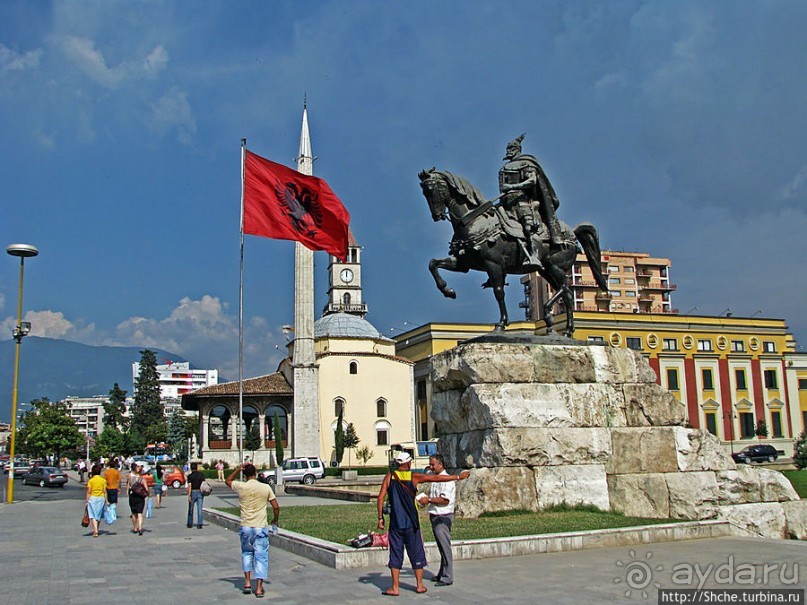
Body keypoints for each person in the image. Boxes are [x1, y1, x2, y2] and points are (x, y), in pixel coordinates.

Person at [376, 451, 471, 596]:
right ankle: (419, 585)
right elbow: (438, 479)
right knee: (416, 553)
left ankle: (395, 587)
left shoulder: (390, 477)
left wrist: (380, 518)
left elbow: (380, 498)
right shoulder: (414, 477)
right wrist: (458, 477)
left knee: (396, 554)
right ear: (408, 463)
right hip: (412, 523)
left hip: (396, 523)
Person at [498, 133, 563, 266]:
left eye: (511, 148)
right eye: (507, 148)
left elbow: (532, 181)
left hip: (522, 203)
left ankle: (535, 256)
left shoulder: (526, 163)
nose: (508, 151)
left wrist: (512, 186)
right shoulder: (504, 167)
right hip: (506, 203)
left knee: (530, 228)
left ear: (517, 149)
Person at [226, 463, 280, 598]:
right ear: (255, 474)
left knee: (247, 554)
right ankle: (259, 588)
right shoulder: (265, 487)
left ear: (245, 475)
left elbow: (228, 481)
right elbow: (276, 506)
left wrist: (237, 469)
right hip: (260, 526)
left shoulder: (241, 486)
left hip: (246, 526)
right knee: (261, 557)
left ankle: (248, 583)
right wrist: (275, 520)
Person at [422, 454, 460, 586]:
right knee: (441, 546)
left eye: (433, 465)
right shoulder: (436, 479)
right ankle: (441, 572)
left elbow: (445, 500)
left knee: (445, 546)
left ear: (441, 465)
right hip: (435, 514)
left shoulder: (447, 480)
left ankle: (448, 576)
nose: (431, 467)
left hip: (443, 516)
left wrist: (429, 500)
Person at [85, 464, 108, 538]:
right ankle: (96, 529)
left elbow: (89, 491)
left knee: (93, 515)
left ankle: (95, 531)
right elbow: (105, 491)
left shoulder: (91, 481)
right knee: (98, 514)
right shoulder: (103, 480)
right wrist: (106, 500)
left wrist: (87, 500)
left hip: (92, 498)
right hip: (101, 498)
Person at [126, 462, 147, 535]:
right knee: (140, 513)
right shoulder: (142, 479)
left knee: (134, 513)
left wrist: (127, 492)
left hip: (133, 496)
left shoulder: (129, 476)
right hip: (140, 497)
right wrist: (148, 493)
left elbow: (128, 485)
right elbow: (146, 489)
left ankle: (135, 527)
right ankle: (140, 527)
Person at [186, 462, 206, 529]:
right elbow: (203, 484)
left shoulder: (190, 476)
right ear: (197, 468)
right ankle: (199, 524)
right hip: (200, 492)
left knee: (191, 508)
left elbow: (189, 486)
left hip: (193, 492)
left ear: (191, 468)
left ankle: (190, 523)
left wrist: (189, 495)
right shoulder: (201, 475)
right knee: (199, 508)